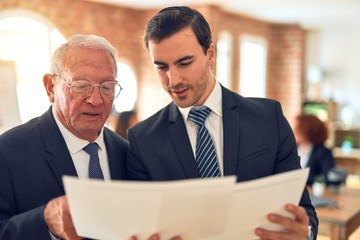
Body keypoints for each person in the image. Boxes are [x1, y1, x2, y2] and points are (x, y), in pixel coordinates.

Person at [126, 6, 318, 239]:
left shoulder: (269, 119)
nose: (173, 80)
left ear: (211, 54)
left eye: (184, 63)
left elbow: (302, 210)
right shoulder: (142, 140)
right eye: (162, 67)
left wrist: (303, 234)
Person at [0, 34, 166, 240]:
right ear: (51, 87)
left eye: (107, 87)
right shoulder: (8, 152)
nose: (96, 100)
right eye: (81, 85)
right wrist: (44, 222)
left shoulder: (128, 153)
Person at [293, 113, 335, 185]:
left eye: (297, 128)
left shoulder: (323, 152)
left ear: (306, 130)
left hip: (312, 192)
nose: (294, 130)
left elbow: (325, 177)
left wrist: (301, 178)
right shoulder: (294, 148)